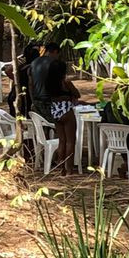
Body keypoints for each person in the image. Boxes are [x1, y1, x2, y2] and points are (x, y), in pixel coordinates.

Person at [27, 41, 79, 174]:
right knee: (70, 141)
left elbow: (31, 85)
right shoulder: (65, 82)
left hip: (54, 108)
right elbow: (76, 94)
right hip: (66, 110)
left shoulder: (47, 80)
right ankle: (69, 168)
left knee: (62, 140)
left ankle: (60, 167)